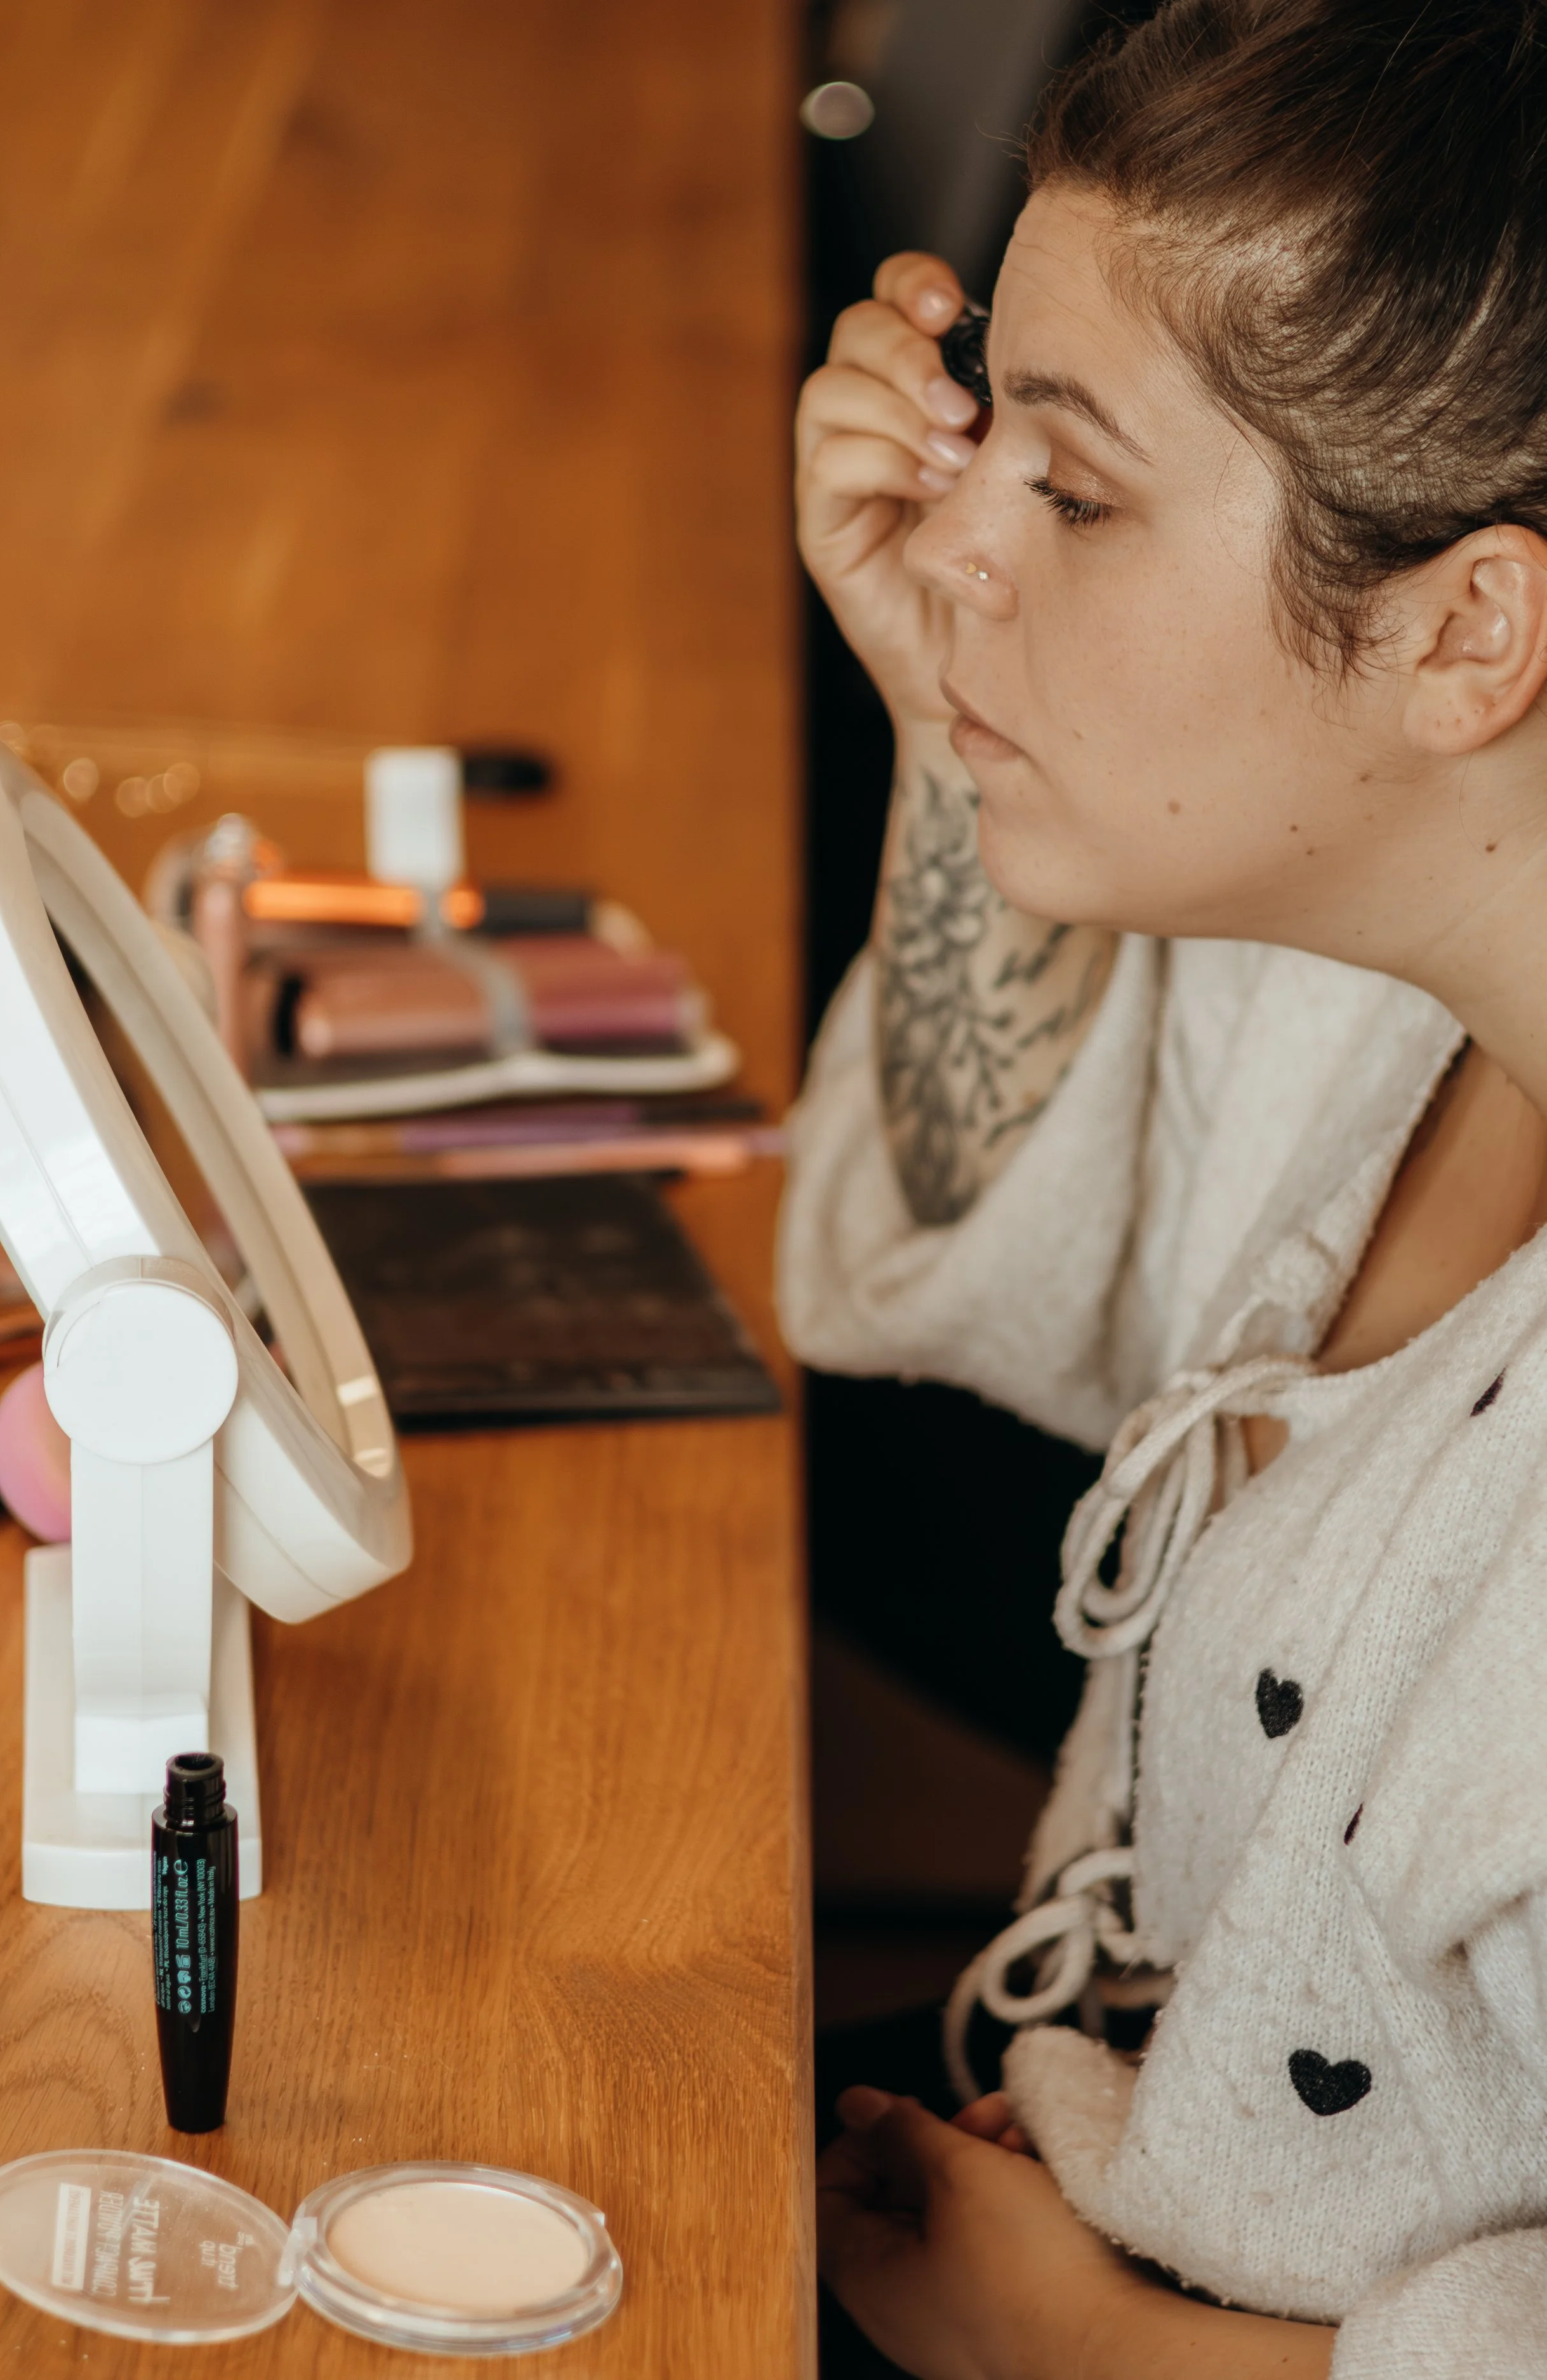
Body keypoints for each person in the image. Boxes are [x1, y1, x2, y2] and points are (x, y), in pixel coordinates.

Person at [781, 1, 1547, 2373]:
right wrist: (951, 712)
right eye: (980, 421)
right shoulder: (1380, 949)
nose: (960, 541)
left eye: (1075, 490)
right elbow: (1007, 1231)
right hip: (1054, 2149)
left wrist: (1079, 2348)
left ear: (1464, 633)